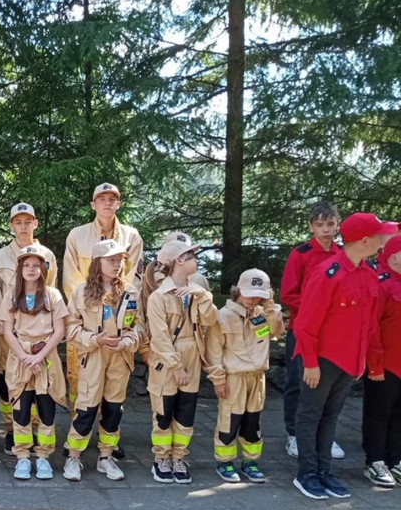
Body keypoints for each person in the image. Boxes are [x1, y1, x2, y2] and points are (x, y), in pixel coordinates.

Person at [292, 213, 396, 499]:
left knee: (331, 416)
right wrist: (310, 362)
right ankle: (307, 473)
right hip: (323, 360)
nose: (383, 242)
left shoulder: (368, 273)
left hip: (349, 362)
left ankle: (325, 471)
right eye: (379, 236)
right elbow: (306, 322)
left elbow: (370, 325)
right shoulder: (329, 273)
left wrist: (366, 360)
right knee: (310, 415)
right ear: (364, 241)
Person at [62, 240, 144, 483]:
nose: (117, 265)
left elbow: (139, 326)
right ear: (98, 263)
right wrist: (94, 339)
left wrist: (127, 341)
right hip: (94, 357)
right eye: (111, 260)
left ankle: (106, 457)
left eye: (120, 260)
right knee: (86, 409)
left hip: (120, 358)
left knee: (113, 410)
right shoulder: (81, 292)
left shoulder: (131, 292)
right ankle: (74, 455)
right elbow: (70, 329)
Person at [142, 235, 217, 484]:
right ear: (179, 260)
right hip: (167, 359)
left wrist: (202, 295)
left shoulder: (197, 291)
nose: (196, 259)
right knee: (163, 411)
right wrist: (176, 365)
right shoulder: (158, 297)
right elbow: (160, 337)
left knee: (186, 411)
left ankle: (179, 457)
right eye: (191, 256)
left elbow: (210, 320)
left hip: (192, 354)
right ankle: (161, 458)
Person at [63, 183, 144, 417]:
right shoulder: (77, 235)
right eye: (102, 199)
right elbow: (71, 277)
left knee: (115, 385)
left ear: (118, 204)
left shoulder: (131, 236)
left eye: (112, 199)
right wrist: (94, 308)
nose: (107, 203)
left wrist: (115, 311)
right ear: (93, 204)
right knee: (80, 378)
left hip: (119, 326)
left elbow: (132, 279)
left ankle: (109, 435)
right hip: (87, 323)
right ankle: (80, 427)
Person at [0, 203, 59, 454]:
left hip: (40, 337)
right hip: (8, 334)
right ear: (11, 226)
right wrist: (3, 331)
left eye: (27, 221)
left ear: (35, 223)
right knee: (10, 381)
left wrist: (47, 331)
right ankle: (12, 429)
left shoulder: (47, 256)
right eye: (18, 222)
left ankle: (38, 428)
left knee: (41, 381)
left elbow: (51, 294)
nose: (23, 226)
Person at [204, 269, 284, 483]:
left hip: (257, 377)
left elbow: (277, 332)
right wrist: (218, 379)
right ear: (238, 290)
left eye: (260, 295)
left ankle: (250, 461)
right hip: (233, 378)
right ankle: (225, 461)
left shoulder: (262, 314)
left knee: (252, 422)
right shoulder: (222, 316)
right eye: (250, 294)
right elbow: (213, 351)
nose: (254, 299)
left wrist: (270, 306)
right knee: (229, 420)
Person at [280, 202, 344, 459]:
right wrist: (315, 310)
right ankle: (294, 433)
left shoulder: (343, 254)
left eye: (330, 224)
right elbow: (288, 294)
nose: (325, 230)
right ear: (311, 226)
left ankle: (325, 434)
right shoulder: (302, 254)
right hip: (303, 328)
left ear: (338, 223)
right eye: (320, 225)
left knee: (331, 383)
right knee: (297, 382)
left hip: (335, 331)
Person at [0, 245, 68, 480]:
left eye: (36, 265)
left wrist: (39, 357)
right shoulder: (11, 295)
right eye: (26, 265)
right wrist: (25, 357)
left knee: (46, 409)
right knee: (21, 408)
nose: (31, 269)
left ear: (43, 268)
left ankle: (43, 456)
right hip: (20, 359)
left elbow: (59, 331)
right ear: (19, 269)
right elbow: (7, 331)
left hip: (45, 358)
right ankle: (21, 456)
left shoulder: (53, 295)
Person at [364, 234, 401, 487]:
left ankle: (395, 459)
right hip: (384, 363)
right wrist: (374, 363)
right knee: (379, 414)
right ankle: (375, 461)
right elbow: (371, 327)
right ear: (390, 257)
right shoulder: (382, 283)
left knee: (399, 414)